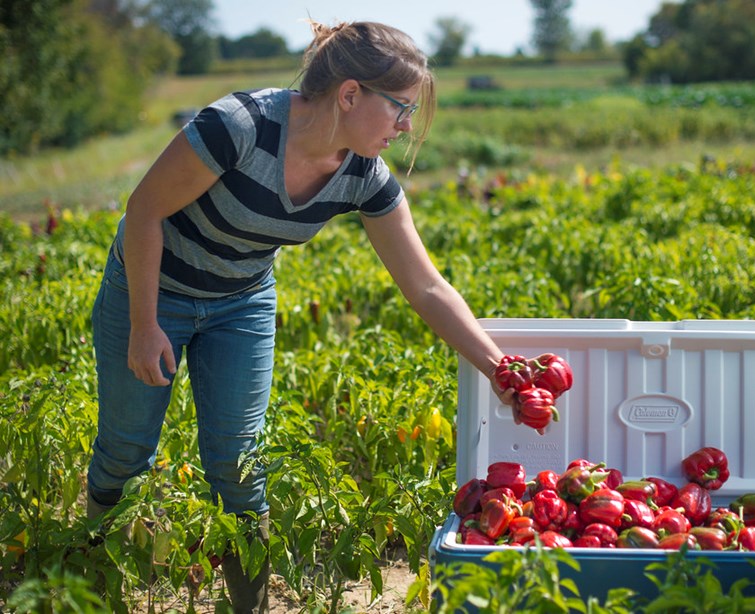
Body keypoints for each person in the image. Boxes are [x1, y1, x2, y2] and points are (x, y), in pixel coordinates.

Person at [85, 20, 517, 613]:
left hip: (241, 301)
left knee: (240, 463)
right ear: (349, 94)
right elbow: (143, 212)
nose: (407, 126)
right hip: (151, 287)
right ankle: (89, 591)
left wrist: (501, 370)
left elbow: (426, 285)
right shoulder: (239, 128)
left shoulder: (363, 175)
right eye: (401, 108)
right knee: (126, 450)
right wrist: (143, 324)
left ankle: (250, 608)